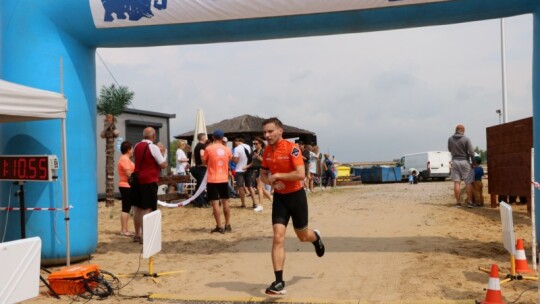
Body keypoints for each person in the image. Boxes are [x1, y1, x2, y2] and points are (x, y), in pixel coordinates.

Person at [260, 117, 325, 295]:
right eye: (264, 132)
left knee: (302, 236)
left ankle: (315, 237)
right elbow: (263, 176)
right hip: (280, 199)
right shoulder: (266, 151)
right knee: (278, 237)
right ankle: (279, 282)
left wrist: (278, 175)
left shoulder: (292, 149)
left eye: (270, 131)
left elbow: (300, 174)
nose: (267, 135)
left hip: (296, 196)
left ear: (280, 131)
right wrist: (272, 183)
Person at [131, 127, 168, 243]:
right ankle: (145, 235)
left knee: (137, 207)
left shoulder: (137, 145)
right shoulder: (153, 147)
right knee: (148, 208)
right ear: (154, 136)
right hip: (148, 181)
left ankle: (137, 234)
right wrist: (164, 154)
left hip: (137, 180)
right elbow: (163, 165)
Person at [203, 129, 233, 234]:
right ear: (222, 138)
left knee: (215, 203)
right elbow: (230, 159)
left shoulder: (209, 148)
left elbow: (204, 161)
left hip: (212, 178)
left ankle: (219, 226)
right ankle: (228, 224)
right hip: (224, 178)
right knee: (225, 202)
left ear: (213, 137)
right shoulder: (227, 149)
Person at [447, 124, 475, 208]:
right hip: (464, 161)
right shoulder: (466, 139)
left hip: (455, 161)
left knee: (456, 182)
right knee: (468, 182)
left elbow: (449, 149)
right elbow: (471, 152)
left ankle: (458, 202)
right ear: (463, 130)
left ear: (456, 130)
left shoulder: (450, 139)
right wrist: (474, 163)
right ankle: (470, 202)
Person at [233, 137, 259, 210]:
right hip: (248, 168)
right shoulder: (249, 147)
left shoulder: (237, 149)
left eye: (235, 142)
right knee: (250, 186)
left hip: (239, 169)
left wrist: (232, 159)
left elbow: (236, 160)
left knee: (241, 186)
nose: (234, 144)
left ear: (238, 141)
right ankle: (255, 203)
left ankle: (243, 203)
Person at [117, 140, 135, 237]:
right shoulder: (125, 159)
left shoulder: (126, 158)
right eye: (132, 149)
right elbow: (129, 174)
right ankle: (123, 230)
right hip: (126, 185)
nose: (133, 151)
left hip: (127, 186)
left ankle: (126, 229)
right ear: (128, 149)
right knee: (126, 208)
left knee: (127, 208)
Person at [252, 137, 272, 206]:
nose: (255, 145)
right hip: (256, 170)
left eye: (256, 143)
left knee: (259, 187)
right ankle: (272, 199)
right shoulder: (254, 151)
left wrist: (258, 157)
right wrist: (246, 167)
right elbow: (253, 162)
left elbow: (265, 161)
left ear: (260, 144)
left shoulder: (263, 151)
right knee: (262, 188)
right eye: (254, 143)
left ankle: (260, 205)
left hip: (262, 170)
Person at [191, 133, 209, 208]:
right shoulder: (202, 146)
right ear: (203, 138)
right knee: (201, 186)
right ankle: (200, 202)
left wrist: (197, 163)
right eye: (205, 137)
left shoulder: (196, 146)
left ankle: (198, 200)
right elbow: (202, 155)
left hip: (197, 167)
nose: (206, 138)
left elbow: (193, 157)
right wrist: (204, 164)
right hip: (202, 168)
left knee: (199, 185)